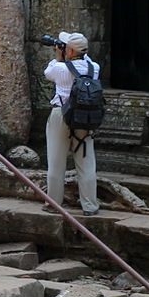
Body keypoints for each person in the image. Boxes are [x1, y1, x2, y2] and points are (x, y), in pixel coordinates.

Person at [44, 31, 100, 216]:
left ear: (68, 50)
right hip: (84, 117)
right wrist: (73, 52)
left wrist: (59, 56)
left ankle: (54, 204)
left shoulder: (59, 68)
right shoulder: (94, 68)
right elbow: (86, 61)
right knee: (86, 162)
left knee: (56, 161)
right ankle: (90, 206)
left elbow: (48, 73)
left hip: (61, 114)